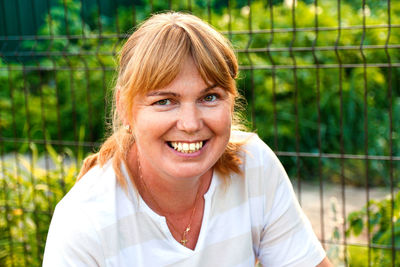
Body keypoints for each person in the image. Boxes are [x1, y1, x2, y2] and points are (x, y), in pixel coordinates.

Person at [43, 12, 332, 267]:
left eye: (209, 97)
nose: (191, 124)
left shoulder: (254, 167)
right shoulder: (85, 221)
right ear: (125, 108)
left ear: (231, 102)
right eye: (165, 101)